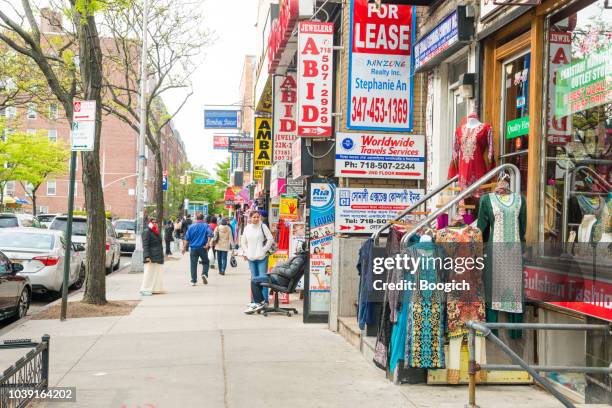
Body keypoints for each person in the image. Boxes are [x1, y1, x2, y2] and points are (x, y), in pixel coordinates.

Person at [241, 210, 274, 314]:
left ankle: (264, 301)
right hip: (251, 257)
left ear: (260, 217)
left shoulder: (263, 226)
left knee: (263, 279)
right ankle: (255, 301)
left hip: (262, 257)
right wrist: (246, 252)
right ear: (250, 218)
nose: (255, 219)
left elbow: (270, 239)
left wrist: (263, 250)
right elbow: (243, 242)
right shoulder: (247, 228)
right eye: (253, 217)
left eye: (257, 217)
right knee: (254, 280)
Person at [182, 213, 213, 285]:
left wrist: (184, 248)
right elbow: (210, 234)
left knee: (193, 264)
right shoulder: (206, 226)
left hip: (193, 248)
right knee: (206, 262)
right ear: (203, 219)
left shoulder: (191, 227)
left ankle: (193, 281)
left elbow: (187, 238)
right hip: (202, 247)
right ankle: (204, 273)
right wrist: (207, 243)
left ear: (196, 218)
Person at [140, 218, 164, 296]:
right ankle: (145, 289)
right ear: (150, 223)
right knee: (148, 273)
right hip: (150, 256)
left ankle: (155, 288)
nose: (155, 223)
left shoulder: (155, 231)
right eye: (153, 222)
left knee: (156, 273)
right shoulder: (147, 231)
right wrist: (147, 256)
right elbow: (145, 245)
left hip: (157, 255)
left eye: (156, 222)